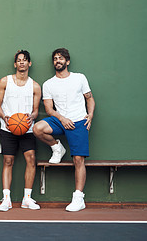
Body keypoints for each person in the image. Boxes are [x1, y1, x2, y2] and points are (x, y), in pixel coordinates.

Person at [33, 48, 95, 212]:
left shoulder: (79, 78)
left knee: (78, 161)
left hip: (78, 122)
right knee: (37, 128)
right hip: (60, 120)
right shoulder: (48, 84)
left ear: (67, 62)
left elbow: (89, 98)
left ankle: (78, 198)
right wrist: (62, 119)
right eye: (55, 58)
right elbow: (49, 109)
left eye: (60, 58)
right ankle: (57, 148)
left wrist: (90, 115)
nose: (57, 61)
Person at [0, 50, 42, 211]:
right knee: (8, 161)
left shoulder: (35, 86)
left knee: (31, 159)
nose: (22, 62)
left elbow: (36, 110)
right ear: (15, 64)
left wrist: (32, 117)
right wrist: (5, 117)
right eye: (19, 60)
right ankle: (6, 199)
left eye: (25, 60)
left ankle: (27, 199)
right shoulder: (5, 81)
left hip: (27, 128)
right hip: (8, 127)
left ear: (29, 64)